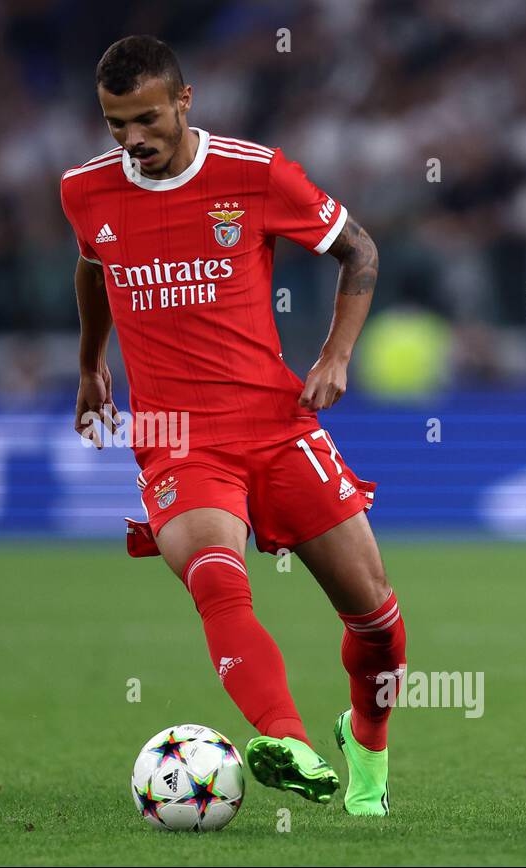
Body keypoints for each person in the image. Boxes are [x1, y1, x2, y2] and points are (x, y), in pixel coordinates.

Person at [60, 35, 406, 816]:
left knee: (377, 620)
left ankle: (368, 746)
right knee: (217, 576)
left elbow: (359, 251)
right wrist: (90, 364)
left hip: (277, 424)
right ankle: (285, 738)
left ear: (185, 102)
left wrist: (335, 355)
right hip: (177, 436)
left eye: (146, 119)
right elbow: (92, 266)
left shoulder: (254, 173)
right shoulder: (86, 191)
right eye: (115, 125)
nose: (131, 140)